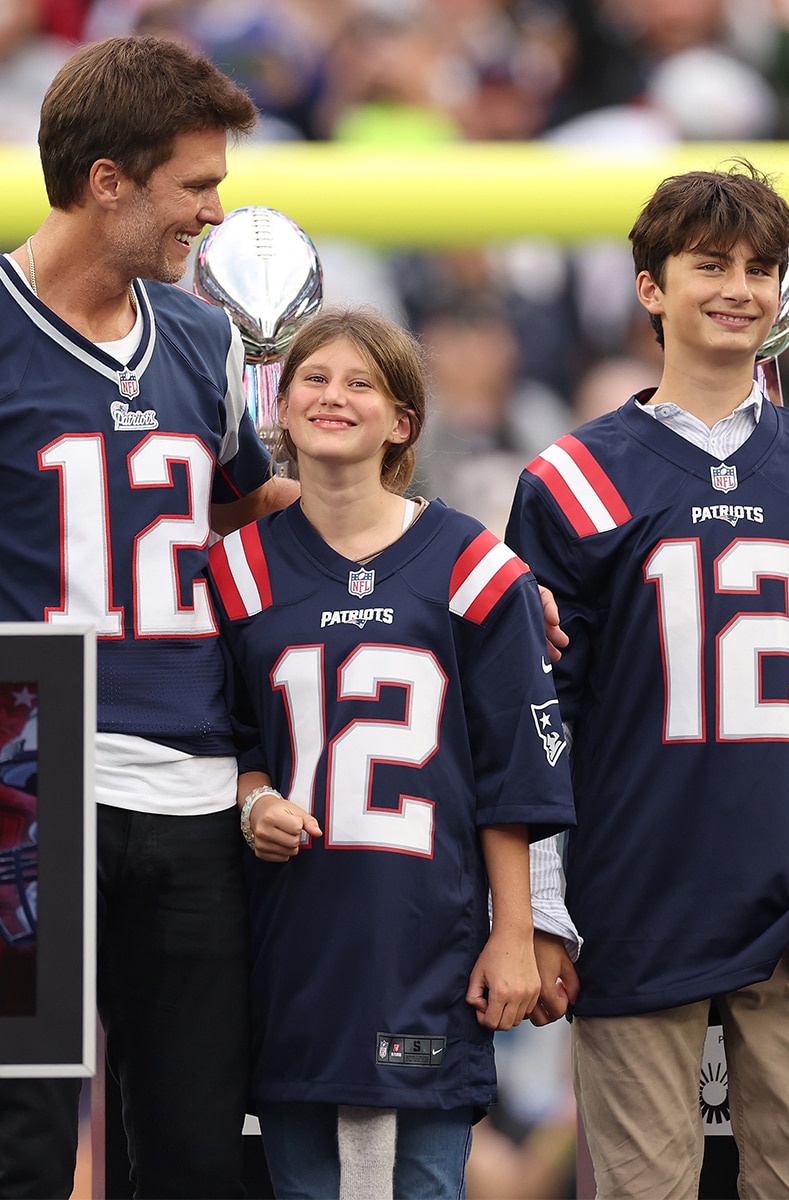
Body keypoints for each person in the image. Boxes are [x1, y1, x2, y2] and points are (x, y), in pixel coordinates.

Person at [507, 161, 789, 1199]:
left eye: (761, 267)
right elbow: (540, 716)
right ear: (651, 286)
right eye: (710, 264)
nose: (739, 287)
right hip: (633, 894)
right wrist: (545, 905)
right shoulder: (572, 479)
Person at [0, 34, 300, 1199]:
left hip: (188, 770)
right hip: (26, 765)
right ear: (108, 180)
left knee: (190, 1146)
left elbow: (250, 503)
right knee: (23, 1133)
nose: (216, 215)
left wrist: (457, 558)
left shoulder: (202, 336)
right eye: (197, 185)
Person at [206, 307, 576, 1200]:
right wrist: (256, 802)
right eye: (314, 379)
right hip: (294, 940)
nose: (335, 397)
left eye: (362, 381)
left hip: (427, 932)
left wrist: (515, 933)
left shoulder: (473, 565)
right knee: (299, 1178)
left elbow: (512, 772)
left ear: (404, 420)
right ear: (280, 408)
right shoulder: (237, 572)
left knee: (425, 1181)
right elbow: (233, 742)